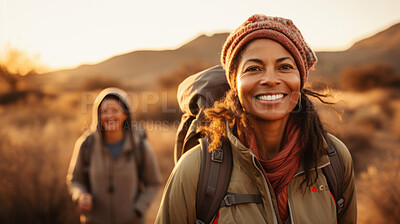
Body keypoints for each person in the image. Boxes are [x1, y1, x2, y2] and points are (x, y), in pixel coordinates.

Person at [156, 14, 357, 224]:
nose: (270, 79)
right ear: (235, 84)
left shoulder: (334, 160)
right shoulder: (196, 169)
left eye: (285, 67)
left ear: (300, 79)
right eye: (253, 69)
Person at [67, 87, 162, 224]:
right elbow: (75, 180)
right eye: (104, 111)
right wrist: (80, 195)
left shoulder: (140, 144)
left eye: (115, 111)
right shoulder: (86, 144)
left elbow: (154, 183)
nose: (109, 116)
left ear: (125, 115)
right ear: (98, 116)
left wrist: (138, 209)